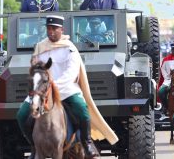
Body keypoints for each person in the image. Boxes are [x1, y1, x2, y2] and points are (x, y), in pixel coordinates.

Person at [16, 15, 117, 159]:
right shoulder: (40, 47)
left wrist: (54, 86)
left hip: (66, 89)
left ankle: (87, 142)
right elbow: (35, 68)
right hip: (42, 89)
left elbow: (71, 72)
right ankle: (34, 145)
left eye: (54, 29)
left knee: (82, 110)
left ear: (61, 30)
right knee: (21, 115)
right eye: (48, 28)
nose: (50, 31)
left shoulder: (70, 48)